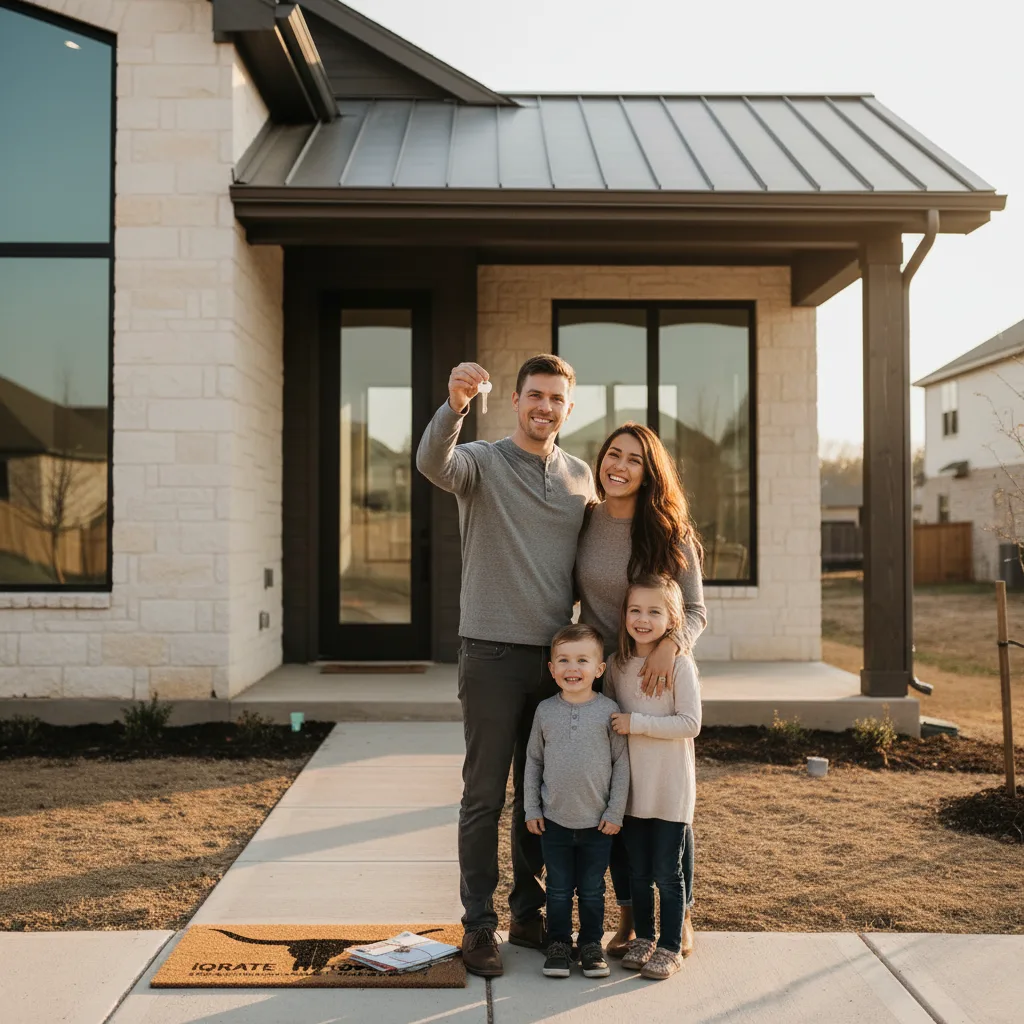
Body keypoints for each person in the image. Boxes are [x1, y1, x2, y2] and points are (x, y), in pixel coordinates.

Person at [416, 354, 594, 977]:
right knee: (485, 796)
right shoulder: (483, 463)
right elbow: (431, 462)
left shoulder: (580, 479)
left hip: (555, 664)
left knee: (537, 797)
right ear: (516, 401)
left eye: (557, 399)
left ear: (569, 410)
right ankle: (478, 926)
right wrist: (455, 404)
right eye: (535, 396)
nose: (545, 407)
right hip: (490, 654)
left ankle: (529, 915)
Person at [575, 422, 707, 955]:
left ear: (649, 472)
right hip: (606, 683)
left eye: (633, 459)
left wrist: (671, 646)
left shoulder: (669, 531)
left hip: (656, 681)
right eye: (612, 455)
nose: (619, 466)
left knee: (667, 800)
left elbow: (696, 609)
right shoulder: (585, 521)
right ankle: (630, 916)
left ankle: (684, 914)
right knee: (619, 805)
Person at [603, 575, 701, 981]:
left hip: (669, 789)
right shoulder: (617, 666)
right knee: (638, 871)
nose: (643, 619)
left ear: (673, 618)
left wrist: (637, 723)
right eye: (635, 610)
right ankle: (644, 937)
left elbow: (690, 723)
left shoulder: (680, 665)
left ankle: (670, 945)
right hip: (632, 791)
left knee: (667, 872)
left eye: (654, 611)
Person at [523, 623, 630, 980]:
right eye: (564, 661)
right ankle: (558, 944)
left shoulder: (609, 711)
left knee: (591, 890)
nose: (573, 668)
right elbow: (533, 761)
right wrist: (531, 808)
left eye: (583, 660)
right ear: (552, 669)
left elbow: (621, 764)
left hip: (597, 824)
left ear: (599, 669)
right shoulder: (544, 711)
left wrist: (615, 811)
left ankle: (589, 945)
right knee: (556, 889)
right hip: (554, 821)